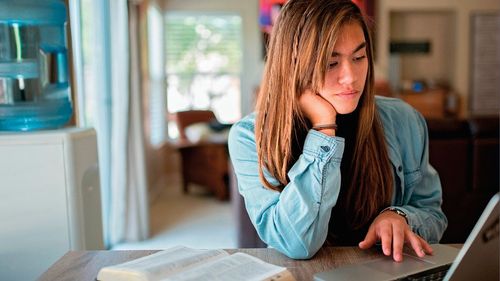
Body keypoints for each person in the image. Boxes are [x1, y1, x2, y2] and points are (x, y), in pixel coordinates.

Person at [228, 0, 447, 261]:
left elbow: (433, 215)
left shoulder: (404, 120)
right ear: (293, 65)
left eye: (359, 57)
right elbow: (297, 243)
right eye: (331, 63)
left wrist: (400, 217)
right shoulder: (250, 136)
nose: (350, 77)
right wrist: (323, 128)